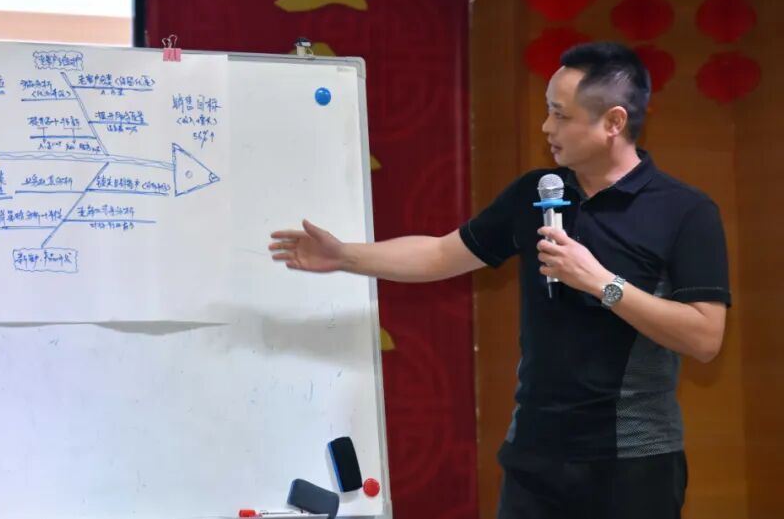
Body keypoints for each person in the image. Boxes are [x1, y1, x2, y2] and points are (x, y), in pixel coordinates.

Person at [268, 42, 730, 519]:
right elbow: (441, 253)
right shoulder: (536, 193)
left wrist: (601, 283)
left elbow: (704, 337)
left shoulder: (685, 211)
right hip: (534, 455)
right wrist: (345, 256)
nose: (546, 127)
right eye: (547, 111)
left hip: (633, 463)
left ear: (613, 122)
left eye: (560, 115)